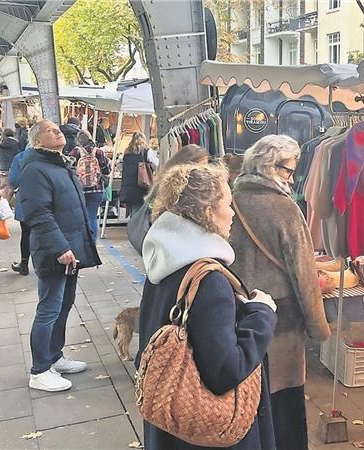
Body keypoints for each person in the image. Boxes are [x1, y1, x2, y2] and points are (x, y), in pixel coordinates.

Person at [136, 163, 278, 450]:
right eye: (228, 203)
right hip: (208, 434)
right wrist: (262, 313)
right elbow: (225, 371)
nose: (233, 213)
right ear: (208, 212)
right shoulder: (209, 280)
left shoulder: (166, 261)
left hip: (171, 424)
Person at [229, 135, 331, 450]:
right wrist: (318, 326)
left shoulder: (229, 199)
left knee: (246, 396)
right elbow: (304, 273)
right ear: (270, 166)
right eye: (289, 170)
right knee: (283, 400)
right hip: (280, 319)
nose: (291, 177)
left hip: (235, 312)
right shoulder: (284, 208)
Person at [21, 120, 101, 392]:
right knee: (49, 308)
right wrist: (60, 247)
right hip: (55, 251)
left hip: (69, 249)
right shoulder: (36, 169)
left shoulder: (59, 164)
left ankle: (54, 356)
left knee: (65, 304)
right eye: (50, 131)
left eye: (58, 130)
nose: (57, 133)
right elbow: (38, 213)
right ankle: (40, 369)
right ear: (38, 140)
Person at [69, 131, 111, 241]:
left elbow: (68, 168)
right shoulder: (99, 152)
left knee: (81, 216)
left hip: (79, 189)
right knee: (92, 216)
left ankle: (82, 240)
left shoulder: (75, 152)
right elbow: (106, 171)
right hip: (97, 189)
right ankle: (92, 241)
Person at [119, 132, 158, 217]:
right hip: (141, 187)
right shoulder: (147, 152)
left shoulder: (126, 153)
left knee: (133, 211)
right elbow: (158, 164)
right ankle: (136, 229)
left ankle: (132, 227)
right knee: (139, 212)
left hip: (127, 188)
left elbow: (120, 162)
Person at [7, 143, 31, 276]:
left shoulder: (20, 157)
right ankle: (45, 265)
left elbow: (14, 181)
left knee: (26, 234)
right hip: (47, 201)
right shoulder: (49, 156)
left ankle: (24, 264)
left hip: (26, 201)